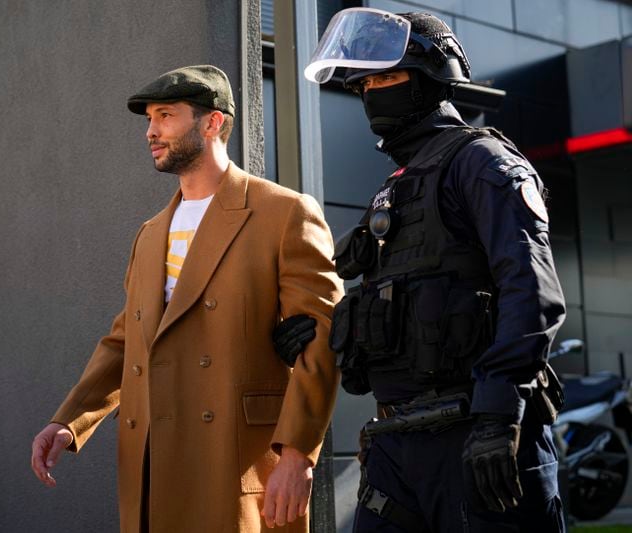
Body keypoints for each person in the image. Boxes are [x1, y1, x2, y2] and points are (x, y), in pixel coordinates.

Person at [30, 65, 343, 533]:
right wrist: (70, 421)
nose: (151, 131)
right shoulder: (149, 234)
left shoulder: (285, 213)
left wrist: (298, 455)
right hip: (153, 465)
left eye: (165, 115)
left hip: (237, 463)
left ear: (212, 122)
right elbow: (124, 342)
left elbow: (321, 338)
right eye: (149, 119)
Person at [293, 8, 567, 532]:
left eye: (388, 77)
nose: (373, 92)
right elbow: (391, 307)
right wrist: (307, 333)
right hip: (398, 443)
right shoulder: (395, 188)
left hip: (477, 436)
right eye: (366, 81)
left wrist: (497, 414)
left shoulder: (483, 162)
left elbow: (532, 292)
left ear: (430, 79)